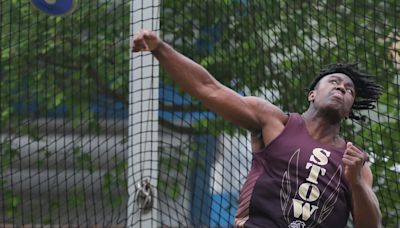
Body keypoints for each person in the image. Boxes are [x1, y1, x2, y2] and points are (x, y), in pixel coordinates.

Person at [131, 30, 382, 228]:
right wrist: (160, 48)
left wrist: (357, 182)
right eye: (334, 82)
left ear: (349, 110)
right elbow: (209, 88)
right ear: (312, 95)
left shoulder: (355, 163)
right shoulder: (275, 122)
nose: (342, 89)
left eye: (349, 90)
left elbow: (371, 225)